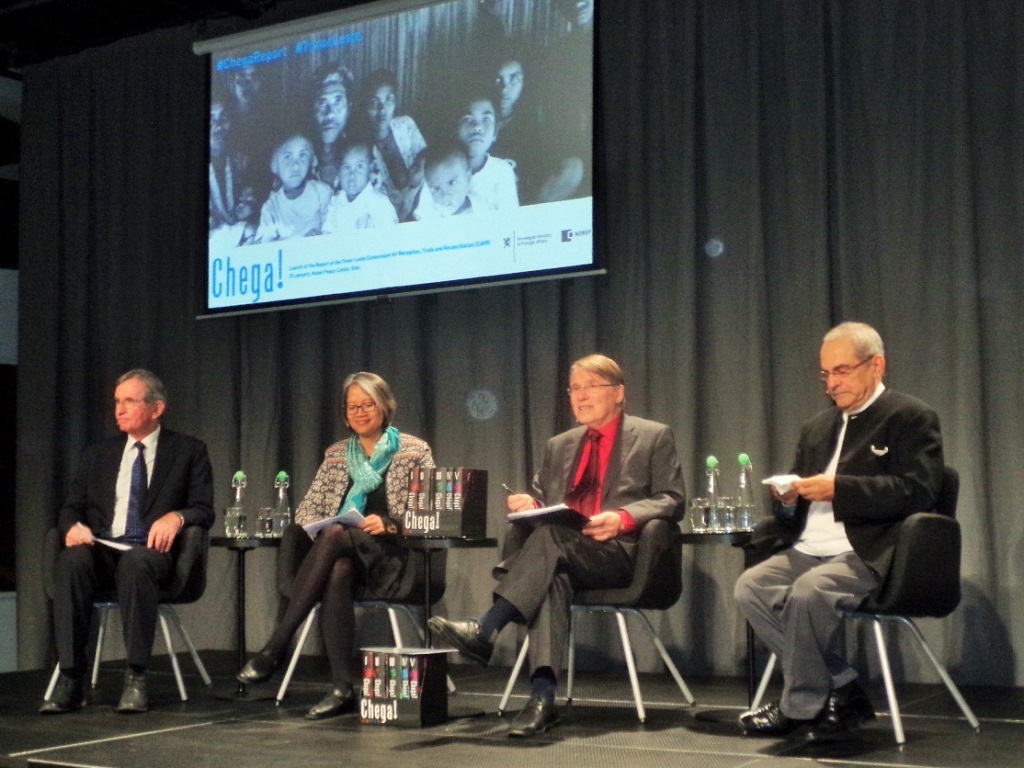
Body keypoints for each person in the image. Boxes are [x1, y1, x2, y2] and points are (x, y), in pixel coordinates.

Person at [429, 354, 685, 738]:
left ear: (619, 394)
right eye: (574, 388)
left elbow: (672, 499)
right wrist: (529, 505)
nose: (581, 396)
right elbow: (543, 498)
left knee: (550, 543)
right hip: (563, 552)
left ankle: (486, 628)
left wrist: (624, 517)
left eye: (591, 387)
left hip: (622, 554)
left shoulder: (652, 435)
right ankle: (541, 699)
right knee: (553, 572)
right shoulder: (560, 445)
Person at [734, 322, 944, 741]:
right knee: (750, 588)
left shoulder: (910, 417)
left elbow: (920, 491)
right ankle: (842, 687)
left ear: (877, 365)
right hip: (808, 546)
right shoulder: (816, 428)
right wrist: (790, 500)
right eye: (826, 374)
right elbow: (798, 500)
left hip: (866, 550)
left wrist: (840, 489)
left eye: (843, 371)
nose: (833, 383)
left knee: (809, 592)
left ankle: (799, 707)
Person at [237, 372, 434, 720]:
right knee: (337, 563)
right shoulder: (337, 455)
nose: (359, 412)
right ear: (345, 414)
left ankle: (276, 646)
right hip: (343, 557)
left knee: (334, 537)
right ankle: (342, 687)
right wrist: (328, 524)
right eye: (352, 407)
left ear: (384, 406)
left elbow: (430, 512)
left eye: (367, 404)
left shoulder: (414, 450)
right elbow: (308, 511)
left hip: (392, 559)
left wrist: (389, 523)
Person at [40, 370, 214, 715]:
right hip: (103, 549)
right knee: (72, 561)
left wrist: (176, 517)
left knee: (136, 563)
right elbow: (69, 507)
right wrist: (70, 527)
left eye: (129, 401)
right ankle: (71, 678)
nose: (119, 409)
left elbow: (203, 509)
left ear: (156, 408)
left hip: (153, 555)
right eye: (117, 401)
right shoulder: (98, 454)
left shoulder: (188, 451)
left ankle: (136, 677)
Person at [361, 69, 428, 214]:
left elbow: (427, 160)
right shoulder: (363, 150)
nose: (382, 109)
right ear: (365, 106)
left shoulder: (406, 125)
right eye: (374, 102)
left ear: (395, 101)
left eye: (388, 99)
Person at [255, 134, 333, 242]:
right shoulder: (271, 207)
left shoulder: (322, 192)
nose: (296, 166)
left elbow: (333, 227)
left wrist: (321, 236)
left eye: (303, 155)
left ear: (312, 161)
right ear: (275, 165)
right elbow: (266, 244)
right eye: (287, 157)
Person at [322, 142, 399, 233]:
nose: (352, 175)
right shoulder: (334, 202)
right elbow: (327, 234)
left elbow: (389, 236)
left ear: (370, 168)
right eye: (346, 167)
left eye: (359, 167)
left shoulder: (380, 203)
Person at [458, 97, 519, 211]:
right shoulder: (440, 167)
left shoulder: (502, 171)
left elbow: (511, 220)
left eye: (486, 120)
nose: (477, 127)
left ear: (495, 133)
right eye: (468, 119)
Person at [311, 64, 356, 190]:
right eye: (322, 103)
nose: (330, 113)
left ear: (349, 108)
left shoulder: (364, 155)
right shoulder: (297, 154)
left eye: (338, 102)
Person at [411, 143, 483, 219]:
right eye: (436, 189)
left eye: (452, 183)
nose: (444, 195)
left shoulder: (483, 208)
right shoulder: (429, 215)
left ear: (468, 178)